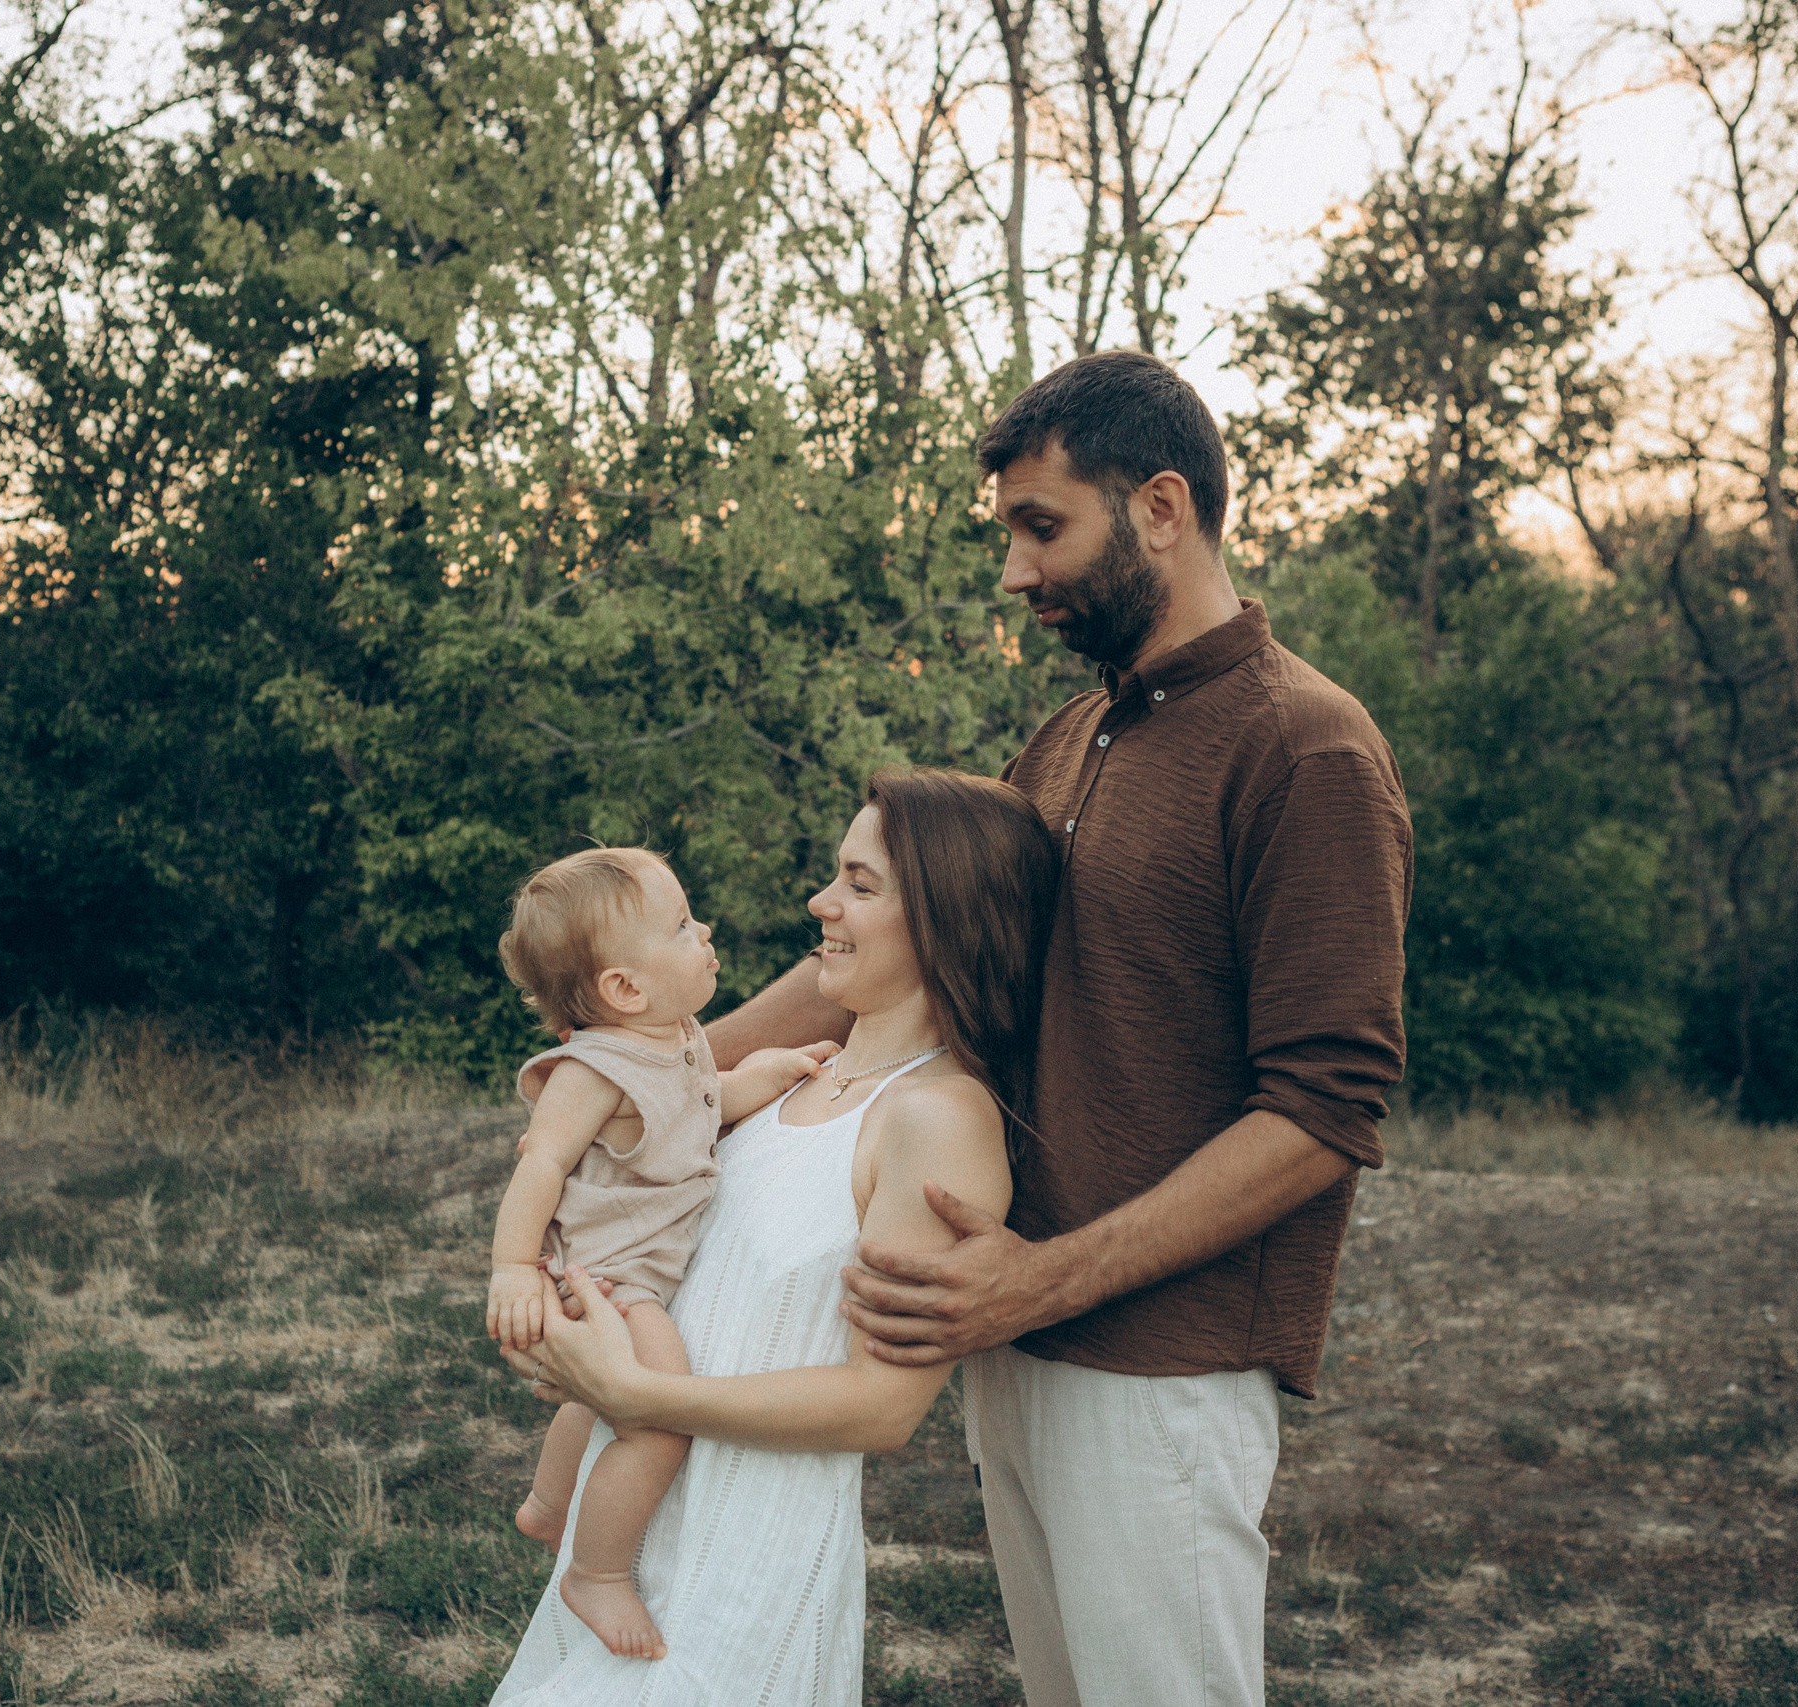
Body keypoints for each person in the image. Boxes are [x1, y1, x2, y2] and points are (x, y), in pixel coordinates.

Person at [703, 350, 1413, 1706]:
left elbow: (1326, 1114)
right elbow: (893, 946)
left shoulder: (1307, 750)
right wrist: (665, 1071)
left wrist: (1046, 1278)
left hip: (1163, 1360)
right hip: (1014, 1332)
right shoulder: (1073, 736)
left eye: (1044, 528)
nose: (1016, 574)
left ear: (1160, 507)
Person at [492, 770, 1058, 1706]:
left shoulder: (939, 1117)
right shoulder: (784, 1082)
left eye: (860, 885)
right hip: (633, 1527)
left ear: (949, 919)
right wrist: (568, 1326)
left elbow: (883, 1406)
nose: (821, 901)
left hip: (748, 1549)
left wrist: (637, 1387)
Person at [488, 847, 840, 1659]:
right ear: (624, 988)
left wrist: (767, 1072)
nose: (704, 928)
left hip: (633, 1275)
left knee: (597, 1395)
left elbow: (704, 1104)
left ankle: (548, 1502)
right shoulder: (594, 1067)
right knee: (656, 1416)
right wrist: (513, 1267)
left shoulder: (672, 1038)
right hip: (608, 1280)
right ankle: (597, 1570)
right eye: (682, 925)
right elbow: (538, 1161)